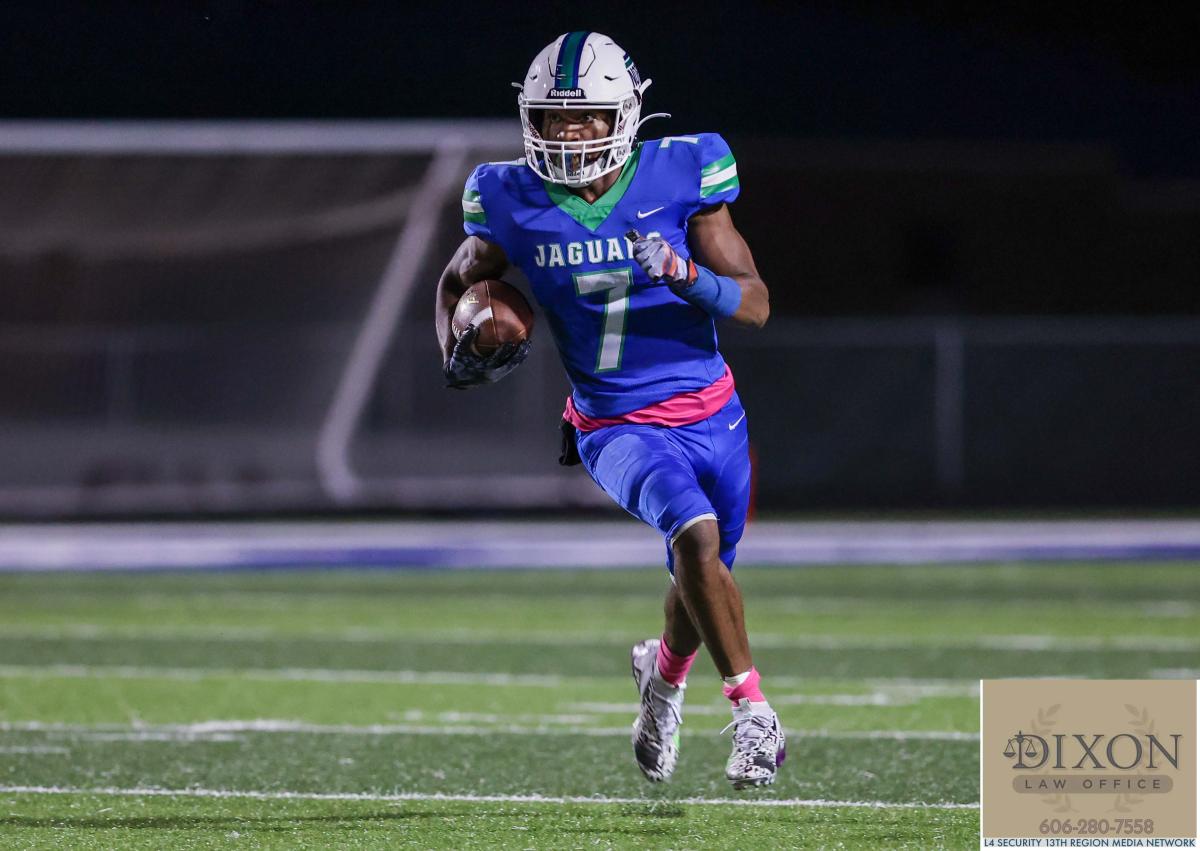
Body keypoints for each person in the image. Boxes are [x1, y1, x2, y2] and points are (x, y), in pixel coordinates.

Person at [434, 31, 784, 789]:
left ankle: (663, 680)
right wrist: (455, 350)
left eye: (585, 116)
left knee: (705, 575)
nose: (567, 133)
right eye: (552, 118)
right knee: (694, 536)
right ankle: (753, 711)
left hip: (715, 414)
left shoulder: (683, 170)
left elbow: (754, 304)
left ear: (624, 115)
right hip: (615, 422)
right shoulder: (507, 196)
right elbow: (457, 281)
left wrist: (685, 273)